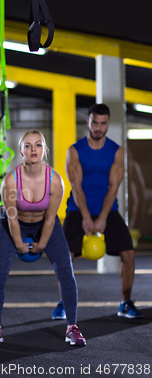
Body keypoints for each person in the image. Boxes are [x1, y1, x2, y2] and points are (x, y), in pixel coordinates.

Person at [0, 130, 86, 347]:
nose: (33, 149)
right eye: (28, 146)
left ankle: (72, 327)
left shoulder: (55, 181)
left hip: (45, 225)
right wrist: (19, 243)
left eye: (38, 145)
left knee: (66, 273)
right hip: (14, 225)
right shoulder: (10, 181)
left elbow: (50, 218)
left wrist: (41, 244)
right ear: (21, 151)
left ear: (44, 150)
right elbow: (11, 218)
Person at [52, 103, 143, 320]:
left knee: (129, 254)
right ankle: (64, 303)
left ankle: (125, 302)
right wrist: (85, 216)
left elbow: (114, 187)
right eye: (95, 122)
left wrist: (102, 217)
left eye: (103, 123)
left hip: (107, 208)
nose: (98, 127)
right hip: (77, 207)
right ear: (88, 122)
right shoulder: (74, 151)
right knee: (65, 256)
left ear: (108, 123)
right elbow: (76, 187)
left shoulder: (116, 152)